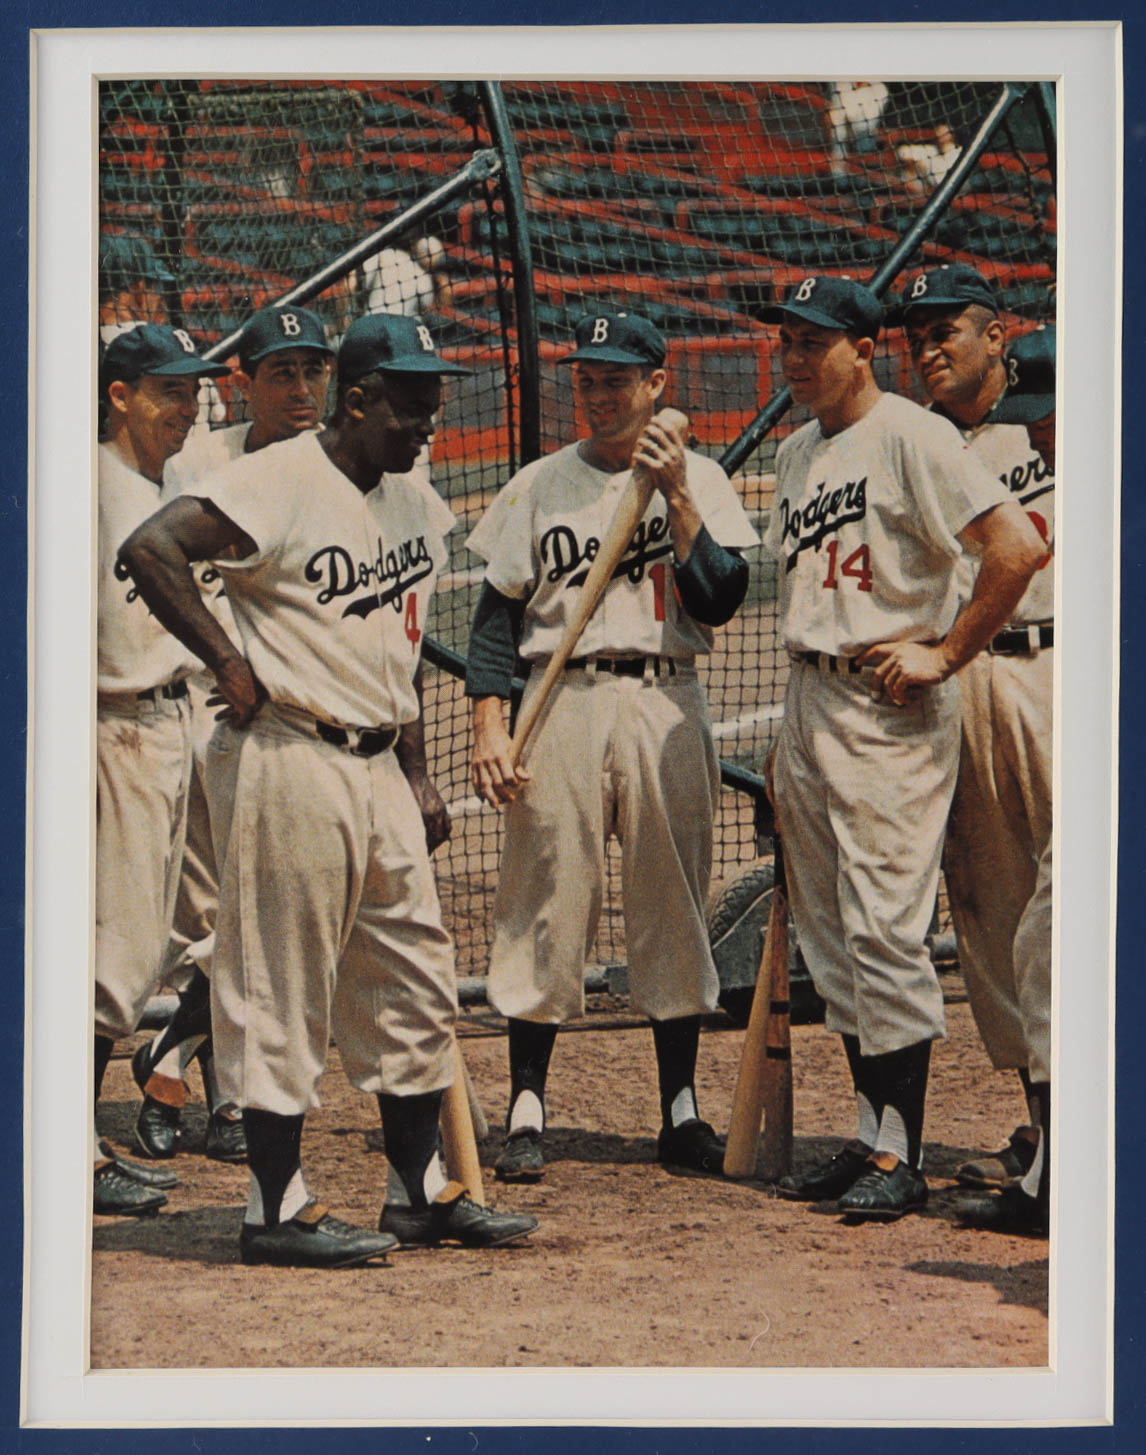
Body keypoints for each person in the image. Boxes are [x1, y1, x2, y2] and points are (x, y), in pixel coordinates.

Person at [119, 313, 539, 1268]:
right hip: (290, 754)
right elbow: (151, 548)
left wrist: (422, 771)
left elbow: (401, 641)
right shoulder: (276, 479)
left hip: (380, 760)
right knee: (282, 983)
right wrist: (227, 661)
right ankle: (277, 1205)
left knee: (418, 980)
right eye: (412, 398)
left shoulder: (410, 497)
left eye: (436, 394)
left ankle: (418, 1190)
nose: (431, 414)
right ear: (357, 398)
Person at [763, 275, 1045, 1222]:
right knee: (835, 935)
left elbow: (1013, 547)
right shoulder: (801, 451)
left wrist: (948, 650)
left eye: (815, 342)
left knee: (885, 926)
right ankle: (872, 1134)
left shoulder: (914, 436)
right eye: (788, 344)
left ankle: (908, 1151)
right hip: (810, 695)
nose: (796, 359)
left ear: (862, 348)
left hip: (888, 705)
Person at [465, 309, 759, 1183]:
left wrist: (677, 497)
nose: (596, 393)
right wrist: (489, 721)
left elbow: (721, 600)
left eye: (615, 379)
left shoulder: (700, 478)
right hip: (564, 701)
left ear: (656, 385)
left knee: (672, 898)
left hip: (666, 698)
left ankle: (680, 1108)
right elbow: (495, 620)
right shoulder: (537, 484)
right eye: (586, 378)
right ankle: (526, 1106)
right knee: (547, 890)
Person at [129, 304, 336, 1166]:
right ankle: (200, 1082)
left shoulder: (342, 464)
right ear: (244, 382)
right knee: (187, 915)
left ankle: (180, 1061)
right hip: (193, 707)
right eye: (278, 372)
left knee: (245, 913)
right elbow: (157, 570)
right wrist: (219, 665)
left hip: (291, 727)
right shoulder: (203, 465)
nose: (298, 388)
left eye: (310, 370)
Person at [902, 267, 1055, 1227]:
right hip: (968, 680)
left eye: (946, 329)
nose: (929, 347)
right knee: (991, 905)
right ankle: (1042, 1121)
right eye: (915, 334)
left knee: (1063, 903)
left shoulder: (1054, 412)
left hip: (1057, 660)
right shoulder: (918, 443)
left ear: (997, 335)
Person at [94, 324, 232, 1217]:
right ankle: (65, 1146)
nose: (189, 408)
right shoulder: (83, 485)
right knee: (110, 957)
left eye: (195, 391)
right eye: (170, 391)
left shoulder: (179, 485)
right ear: (120, 395)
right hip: (113, 726)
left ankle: (157, 1064)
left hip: (182, 722)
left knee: (215, 929)